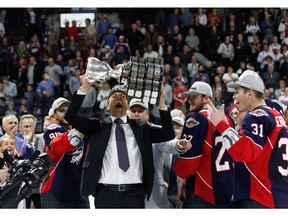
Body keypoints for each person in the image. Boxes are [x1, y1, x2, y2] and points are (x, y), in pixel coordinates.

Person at [65, 77, 175, 208]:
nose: (118, 98)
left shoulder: (142, 128)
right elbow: (70, 116)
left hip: (135, 194)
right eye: (114, 96)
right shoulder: (96, 126)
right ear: (107, 105)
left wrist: (162, 103)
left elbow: (168, 134)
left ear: (127, 105)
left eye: (122, 96)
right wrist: (84, 89)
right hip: (105, 194)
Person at [208, 70, 288, 208]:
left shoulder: (256, 115)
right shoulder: (275, 115)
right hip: (277, 195)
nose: (234, 96)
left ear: (250, 93)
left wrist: (222, 125)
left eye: (237, 92)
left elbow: (245, 152)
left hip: (258, 195)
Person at [173, 81, 234, 208]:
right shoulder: (227, 119)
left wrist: (180, 181)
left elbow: (189, 159)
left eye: (194, 96)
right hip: (225, 188)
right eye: (189, 96)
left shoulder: (195, 119)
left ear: (206, 98)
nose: (189, 100)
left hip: (202, 189)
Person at [128, 98, 191, 208]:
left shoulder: (155, 132)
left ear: (147, 114)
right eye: (133, 111)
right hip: (127, 190)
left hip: (152, 195)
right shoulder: (120, 134)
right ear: (128, 113)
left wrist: (178, 145)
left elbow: (168, 143)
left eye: (140, 111)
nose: (136, 114)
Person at [41, 97, 89, 208]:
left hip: (78, 192)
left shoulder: (81, 132)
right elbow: (62, 146)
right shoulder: (52, 129)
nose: (66, 114)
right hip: (55, 191)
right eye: (62, 111)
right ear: (54, 115)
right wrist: (80, 130)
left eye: (69, 111)